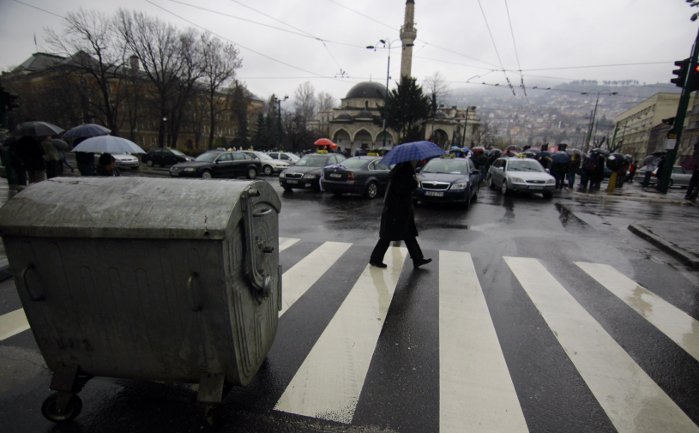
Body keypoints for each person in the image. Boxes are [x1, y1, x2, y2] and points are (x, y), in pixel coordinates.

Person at [370, 160, 431, 269]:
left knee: (409, 234)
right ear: (410, 161)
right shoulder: (404, 172)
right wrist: (414, 182)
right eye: (414, 161)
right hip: (397, 210)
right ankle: (375, 259)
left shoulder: (400, 170)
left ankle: (417, 259)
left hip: (398, 209)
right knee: (387, 236)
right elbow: (402, 189)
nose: (416, 162)